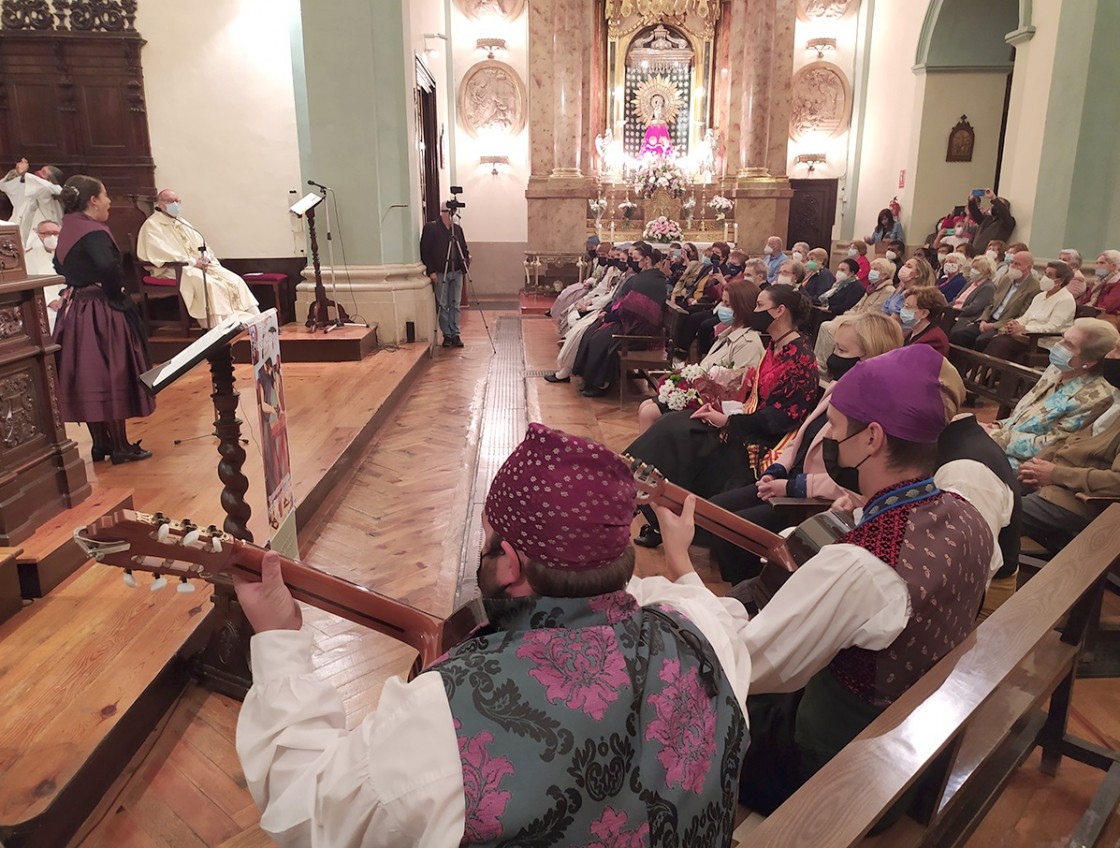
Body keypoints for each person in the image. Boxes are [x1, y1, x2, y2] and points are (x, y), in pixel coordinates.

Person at [236, 423, 752, 846]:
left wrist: (280, 639)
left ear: (508, 563)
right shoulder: (702, 634)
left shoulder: (448, 720)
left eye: (487, 539)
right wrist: (679, 560)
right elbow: (693, 602)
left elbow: (305, 810)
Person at [737, 344, 993, 817]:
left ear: (872, 438)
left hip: (832, 766)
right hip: (909, 736)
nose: (830, 440)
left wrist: (685, 584)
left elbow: (753, 664)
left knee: (685, 709)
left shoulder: (864, 564)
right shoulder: (966, 512)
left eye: (834, 428)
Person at [709, 313, 904, 584]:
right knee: (716, 510)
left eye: (842, 350)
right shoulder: (839, 386)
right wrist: (780, 468)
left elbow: (857, 481)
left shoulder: (875, 411)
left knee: (731, 529)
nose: (833, 358)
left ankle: (752, 590)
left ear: (870, 357)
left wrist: (794, 487)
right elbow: (804, 434)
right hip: (792, 480)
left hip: (811, 500)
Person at [628, 285, 818, 547]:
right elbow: (754, 395)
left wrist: (729, 421)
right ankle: (637, 493)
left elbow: (781, 418)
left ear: (779, 311)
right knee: (675, 425)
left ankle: (640, 500)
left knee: (683, 435)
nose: (755, 312)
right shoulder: (776, 345)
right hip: (748, 421)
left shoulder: (801, 359)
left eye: (760, 306)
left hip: (767, 437)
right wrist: (721, 408)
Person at [53, 175, 154, 464]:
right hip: (101, 310)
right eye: (105, 195)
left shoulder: (67, 229)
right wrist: (116, 294)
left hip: (75, 311)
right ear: (93, 200)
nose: (109, 201)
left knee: (88, 375)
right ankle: (120, 446)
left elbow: (58, 264)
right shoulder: (93, 231)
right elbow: (107, 266)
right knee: (112, 372)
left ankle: (101, 444)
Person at [1018, 338, 1120, 555]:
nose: (1109, 356)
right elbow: (1068, 440)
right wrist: (1040, 464)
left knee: (991, 512)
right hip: (1055, 481)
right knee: (984, 486)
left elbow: (1117, 482)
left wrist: (1055, 475)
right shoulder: (1112, 400)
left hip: (1082, 501)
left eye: (1118, 350)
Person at [986, 318, 1119, 471]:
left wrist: (995, 437)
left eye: (1068, 345)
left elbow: (1055, 444)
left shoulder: (1095, 397)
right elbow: (1028, 412)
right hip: (1003, 443)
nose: (1058, 345)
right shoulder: (1057, 369)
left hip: (1032, 464)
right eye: (1062, 338)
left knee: (967, 459)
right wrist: (999, 425)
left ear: (1089, 361)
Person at [637, 278, 765, 433]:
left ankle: (648, 456)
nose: (722, 308)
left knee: (648, 413)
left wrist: (690, 390)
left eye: (727, 305)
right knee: (645, 406)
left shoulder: (748, 343)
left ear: (742, 308)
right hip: (700, 393)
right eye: (722, 302)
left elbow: (736, 390)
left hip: (712, 405)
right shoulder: (729, 332)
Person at [136, 189, 260, 329]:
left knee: (235, 279)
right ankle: (221, 326)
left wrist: (205, 257)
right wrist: (193, 262)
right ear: (160, 203)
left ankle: (254, 320)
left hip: (196, 266)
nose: (176, 204)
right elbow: (160, 252)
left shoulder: (182, 222)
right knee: (210, 284)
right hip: (172, 269)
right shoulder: (152, 225)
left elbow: (201, 244)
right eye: (171, 201)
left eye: (178, 201)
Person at [572, 242, 667, 397]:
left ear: (647, 260)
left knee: (600, 339)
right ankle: (589, 379)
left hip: (640, 330)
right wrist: (608, 312)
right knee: (591, 332)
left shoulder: (652, 280)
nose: (631, 261)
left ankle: (601, 383)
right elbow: (623, 302)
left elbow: (635, 309)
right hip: (629, 322)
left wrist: (610, 315)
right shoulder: (643, 276)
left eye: (634, 258)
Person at [813, 257, 896, 373]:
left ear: (884, 274)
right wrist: (849, 315)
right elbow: (857, 306)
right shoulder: (871, 288)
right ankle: (818, 361)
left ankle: (824, 365)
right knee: (824, 324)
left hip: (868, 325)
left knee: (828, 328)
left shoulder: (887, 290)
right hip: (856, 319)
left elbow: (873, 313)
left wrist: (850, 318)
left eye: (876, 269)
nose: (872, 272)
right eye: (872, 268)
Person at [981, 260, 1076, 361]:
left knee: (1003, 343)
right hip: (1024, 337)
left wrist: (1024, 329)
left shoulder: (1066, 300)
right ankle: (981, 372)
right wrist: (1014, 324)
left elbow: (1053, 327)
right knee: (997, 339)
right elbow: (1026, 317)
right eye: (1045, 273)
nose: (1045, 277)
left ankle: (983, 373)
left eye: (1050, 275)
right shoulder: (1040, 296)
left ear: (1060, 280)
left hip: (1042, 343)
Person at [949, 249, 1040, 348]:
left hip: (1003, 325)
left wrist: (993, 326)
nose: (1012, 266)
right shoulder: (1006, 279)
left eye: (1017, 264)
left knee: (982, 340)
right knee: (959, 334)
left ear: (1029, 268)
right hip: (988, 319)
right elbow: (991, 303)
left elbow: (1022, 316)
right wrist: (983, 319)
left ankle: (975, 364)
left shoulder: (1034, 288)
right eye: (1012, 262)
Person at [419, 202, 471, 347]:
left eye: (452, 213)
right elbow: (425, 251)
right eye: (448, 212)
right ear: (442, 212)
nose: (450, 216)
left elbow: (464, 249)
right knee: (443, 305)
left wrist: (465, 264)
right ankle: (447, 335)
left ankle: (456, 334)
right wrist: (431, 271)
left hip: (457, 272)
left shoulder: (457, 230)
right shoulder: (431, 228)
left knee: (455, 304)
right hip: (441, 272)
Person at [0, 157, 64, 240]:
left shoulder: (53, 190)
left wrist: (23, 173)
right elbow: (6, 186)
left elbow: (45, 187)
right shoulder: (28, 189)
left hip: (43, 236)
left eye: (43, 172)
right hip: (19, 232)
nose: (38, 173)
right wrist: (17, 172)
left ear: (51, 179)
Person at [24, 218, 65, 331]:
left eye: (55, 233)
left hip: (70, 301)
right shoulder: (30, 257)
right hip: (45, 304)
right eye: (47, 233)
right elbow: (32, 282)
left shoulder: (72, 254)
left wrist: (65, 298)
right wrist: (51, 301)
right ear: (39, 235)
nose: (52, 237)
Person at [901, 286, 949, 356]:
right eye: (904, 306)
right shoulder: (910, 334)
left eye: (907, 307)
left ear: (924, 313)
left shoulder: (934, 340)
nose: (903, 310)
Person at [950, 255, 998, 322]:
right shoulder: (970, 282)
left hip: (963, 317)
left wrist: (952, 312)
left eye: (976, 268)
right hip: (953, 311)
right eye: (972, 267)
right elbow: (956, 299)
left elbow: (974, 308)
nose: (972, 270)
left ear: (986, 271)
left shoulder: (988, 287)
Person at [1084, 250, 1120, 323]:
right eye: (1097, 263)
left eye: (1102, 263)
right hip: (1092, 314)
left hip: (1109, 318)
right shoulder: (1097, 282)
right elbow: (1086, 300)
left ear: (1113, 266)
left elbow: (1107, 306)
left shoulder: (1117, 283)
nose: (1097, 266)